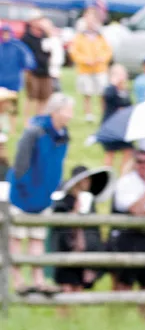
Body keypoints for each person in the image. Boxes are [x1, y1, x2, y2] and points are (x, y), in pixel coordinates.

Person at [6, 93, 73, 293]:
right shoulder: (34, 132)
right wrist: (25, 189)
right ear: (56, 111)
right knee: (16, 238)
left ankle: (38, 280)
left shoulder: (63, 136)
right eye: (68, 111)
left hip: (44, 198)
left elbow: (57, 166)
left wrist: (52, 191)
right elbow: (20, 164)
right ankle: (17, 281)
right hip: (22, 196)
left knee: (37, 240)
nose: (70, 115)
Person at [108, 149, 145, 316]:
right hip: (128, 236)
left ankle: (144, 321)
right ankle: (117, 319)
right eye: (140, 161)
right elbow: (134, 208)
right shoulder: (126, 182)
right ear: (134, 163)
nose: (143, 165)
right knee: (124, 283)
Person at [49, 164, 110, 292]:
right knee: (65, 288)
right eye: (85, 180)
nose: (87, 183)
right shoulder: (63, 201)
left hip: (83, 253)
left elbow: (94, 231)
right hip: (65, 252)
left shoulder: (89, 201)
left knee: (79, 289)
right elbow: (59, 229)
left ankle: (75, 313)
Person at [68, 8, 112, 122]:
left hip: (99, 68)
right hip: (85, 69)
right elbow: (74, 52)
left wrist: (101, 58)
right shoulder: (80, 36)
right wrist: (84, 59)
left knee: (102, 93)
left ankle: (104, 113)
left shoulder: (101, 36)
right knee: (87, 92)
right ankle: (89, 114)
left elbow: (107, 51)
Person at [100, 64, 133, 174]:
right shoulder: (110, 89)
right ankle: (107, 175)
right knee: (110, 152)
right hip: (111, 125)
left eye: (123, 74)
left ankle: (124, 174)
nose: (121, 77)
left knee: (129, 151)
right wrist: (113, 84)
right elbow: (108, 97)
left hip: (123, 126)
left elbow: (128, 105)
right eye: (118, 74)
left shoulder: (125, 90)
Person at [0, 23, 34, 126]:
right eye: (3, 33)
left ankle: (12, 127)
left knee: (13, 106)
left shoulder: (17, 46)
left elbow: (28, 60)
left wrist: (29, 65)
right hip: (1, 80)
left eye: (7, 33)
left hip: (13, 81)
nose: (5, 35)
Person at [20, 16, 53, 119]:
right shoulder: (26, 37)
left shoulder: (45, 36)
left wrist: (49, 32)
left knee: (43, 97)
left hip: (45, 70)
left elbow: (52, 49)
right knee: (31, 97)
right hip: (32, 71)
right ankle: (27, 120)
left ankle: (39, 118)